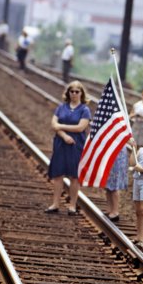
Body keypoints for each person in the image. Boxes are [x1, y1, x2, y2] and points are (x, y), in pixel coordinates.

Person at [45, 81, 91, 215]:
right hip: (61, 143)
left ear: (81, 93)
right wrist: (64, 135)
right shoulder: (61, 107)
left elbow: (81, 127)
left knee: (74, 176)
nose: (74, 94)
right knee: (58, 174)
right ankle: (55, 203)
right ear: (68, 93)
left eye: (77, 91)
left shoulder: (84, 109)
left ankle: (72, 205)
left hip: (76, 145)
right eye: (72, 91)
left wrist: (61, 126)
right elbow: (54, 124)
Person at [104, 139, 133, 222]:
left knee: (114, 185)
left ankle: (115, 211)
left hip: (118, 154)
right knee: (108, 184)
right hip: (109, 152)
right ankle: (109, 209)